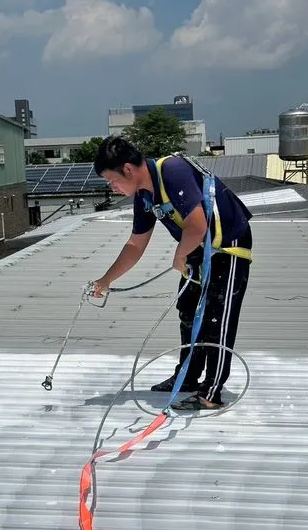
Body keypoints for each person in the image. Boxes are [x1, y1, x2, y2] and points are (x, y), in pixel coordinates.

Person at [92, 136, 252, 411]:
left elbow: (197, 225)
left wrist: (179, 255)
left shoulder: (172, 171)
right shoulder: (145, 196)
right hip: (197, 248)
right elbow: (135, 245)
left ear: (128, 169)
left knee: (216, 315)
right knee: (189, 309)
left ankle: (211, 392)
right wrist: (105, 281)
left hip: (227, 246)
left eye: (111, 180)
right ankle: (188, 376)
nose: (112, 187)